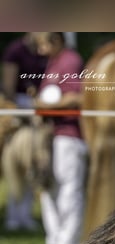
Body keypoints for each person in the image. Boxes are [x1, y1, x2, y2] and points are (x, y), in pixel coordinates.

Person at [33, 32, 88, 244]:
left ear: (57, 41)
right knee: (49, 187)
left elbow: (77, 97)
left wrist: (48, 106)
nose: (40, 51)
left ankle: (68, 241)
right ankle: (54, 240)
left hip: (70, 134)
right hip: (52, 134)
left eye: (43, 45)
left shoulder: (71, 60)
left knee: (69, 188)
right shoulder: (53, 62)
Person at [2, 33, 49, 231]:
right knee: (15, 168)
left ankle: (25, 214)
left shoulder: (43, 53)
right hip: (19, 112)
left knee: (32, 168)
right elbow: (8, 87)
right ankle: (14, 215)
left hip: (37, 110)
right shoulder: (15, 51)